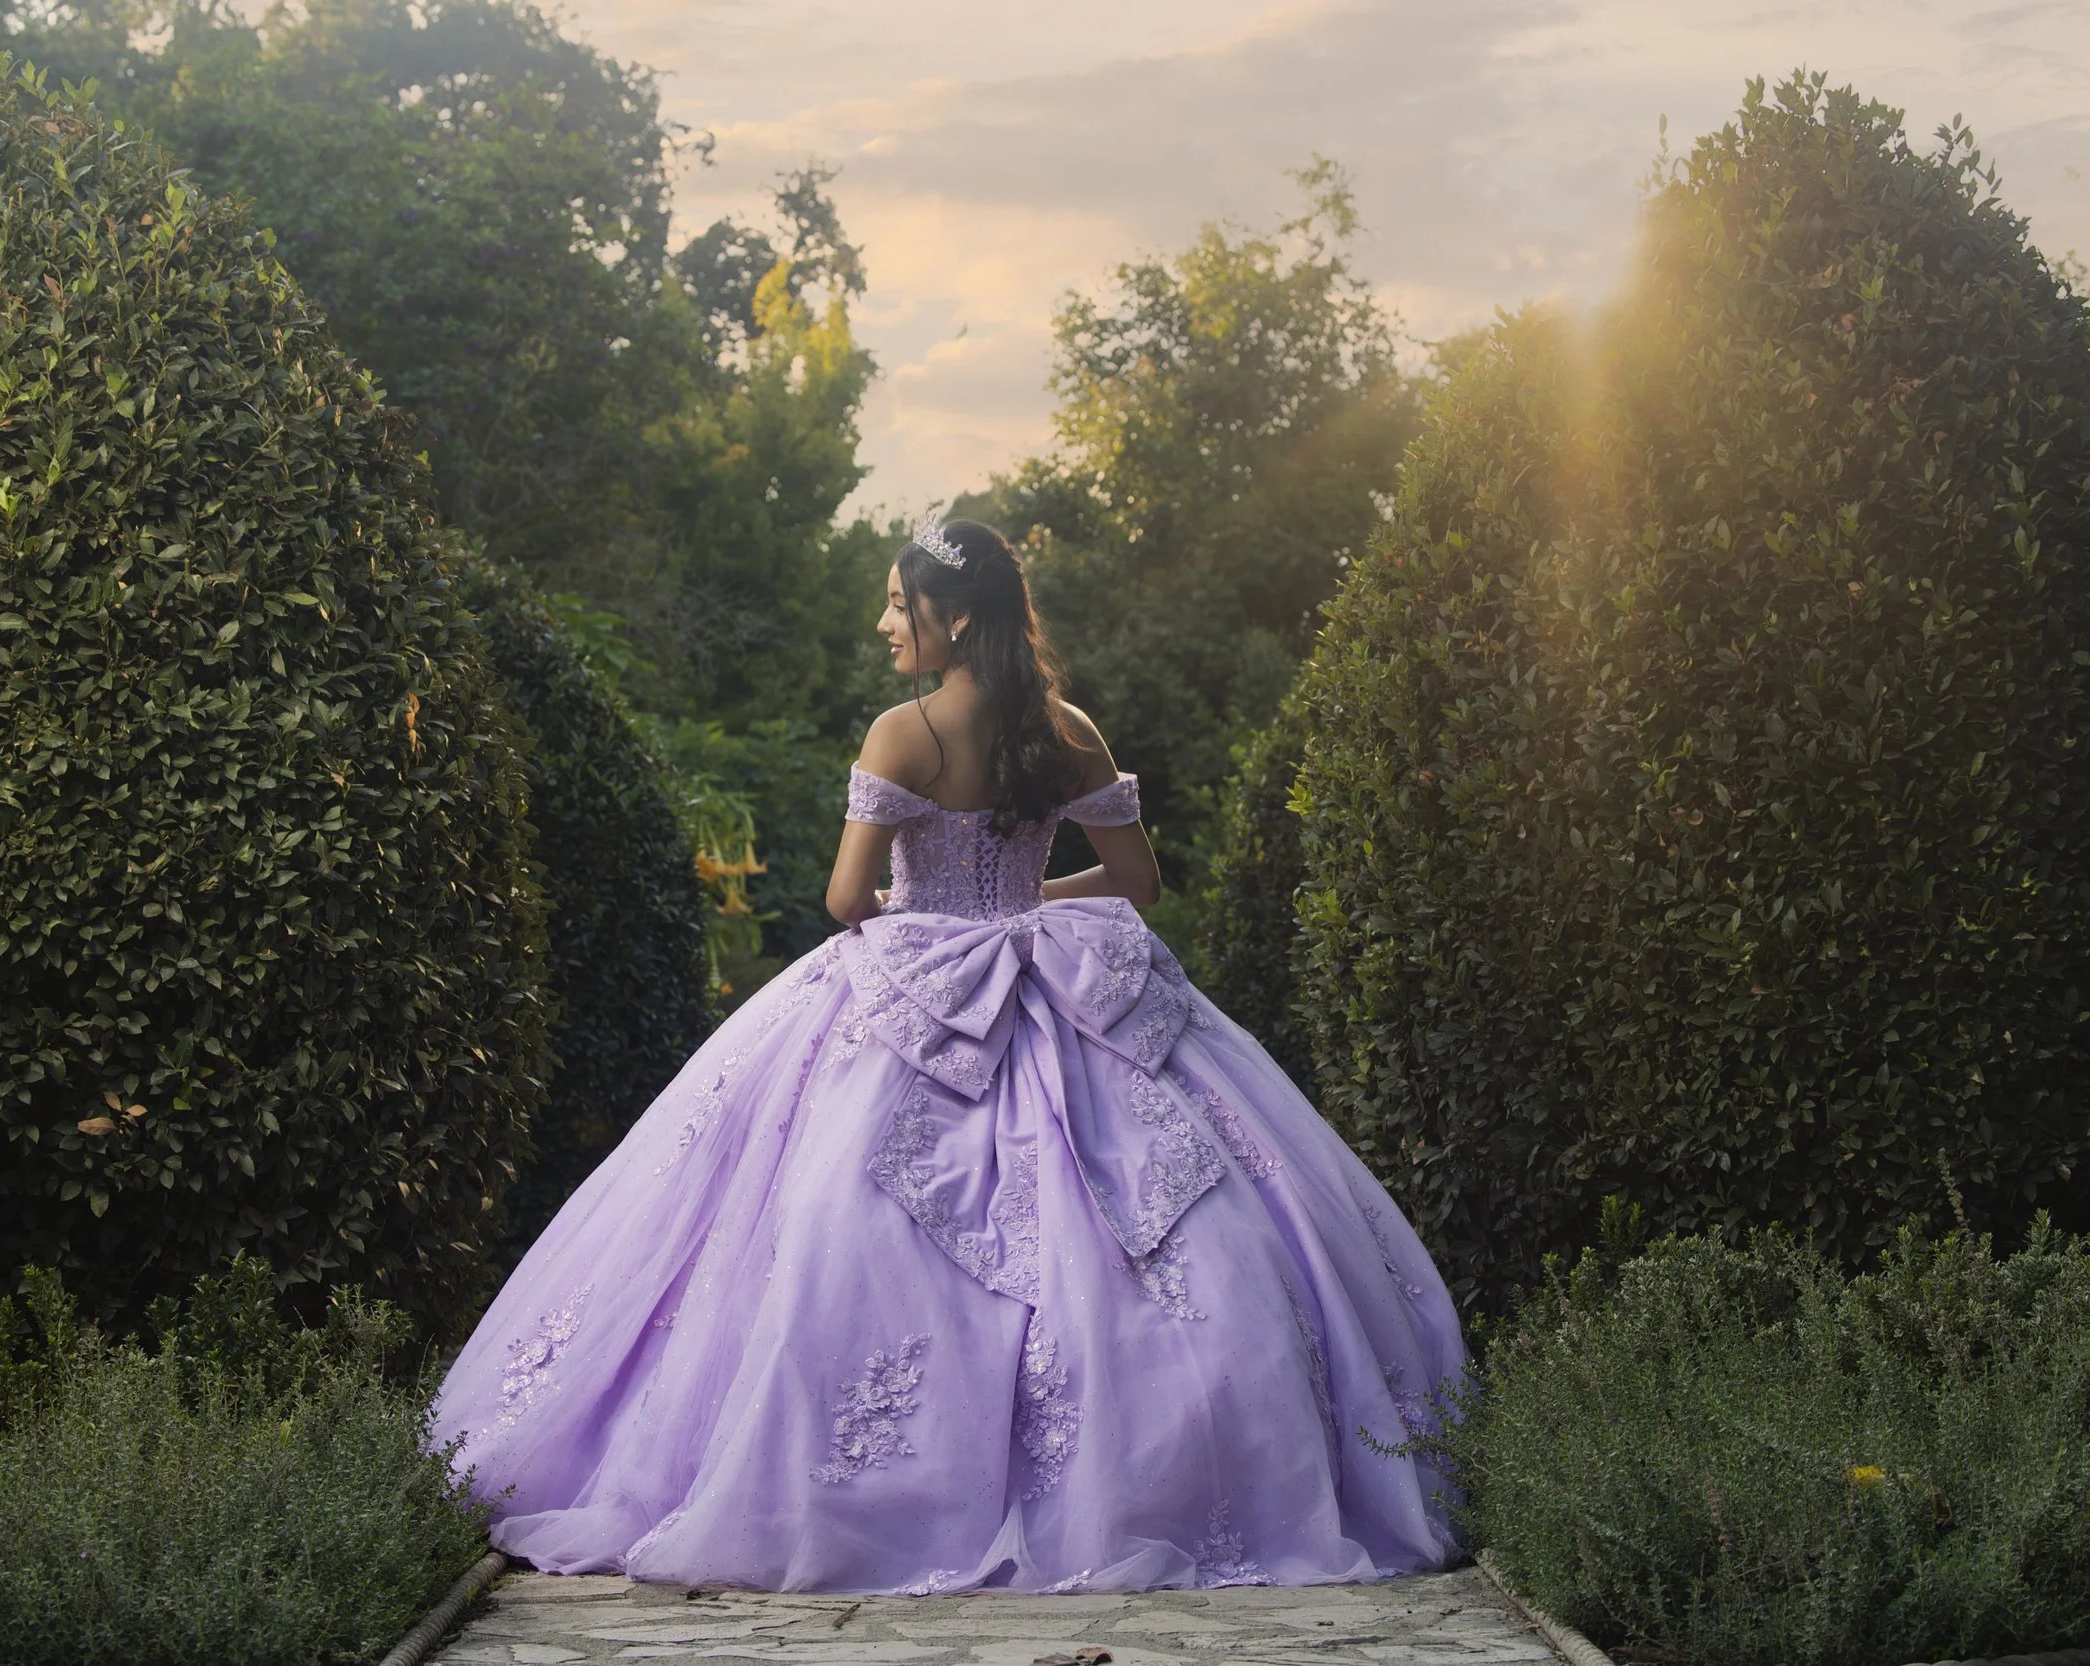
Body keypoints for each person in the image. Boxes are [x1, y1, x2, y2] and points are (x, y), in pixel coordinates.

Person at [431, 519, 1466, 1594]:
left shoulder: (903, 733)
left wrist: (931, 910)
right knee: (1155, 1214)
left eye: (899, 602)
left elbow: (846, 899)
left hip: (920, 976)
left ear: (956, 616)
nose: (885, 622)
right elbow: (1137, 884)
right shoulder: (1067, 730)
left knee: (814, 1216)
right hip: (1055, 976)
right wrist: (1025, 903)